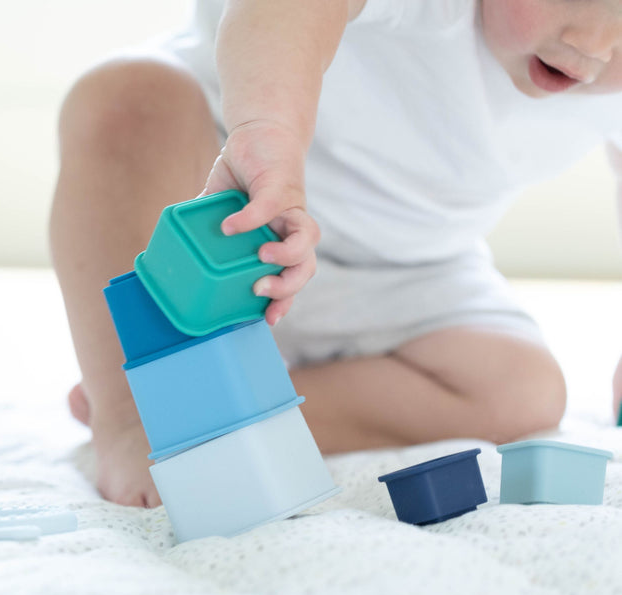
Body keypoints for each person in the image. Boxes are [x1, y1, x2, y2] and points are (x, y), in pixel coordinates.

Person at [50, 0, 622, 507]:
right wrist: (266, 130)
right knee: (131, 96)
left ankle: (222, 409)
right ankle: (130, 411)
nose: (594, 45)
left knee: (523, 391)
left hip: (410, 271)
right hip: (225, 202)